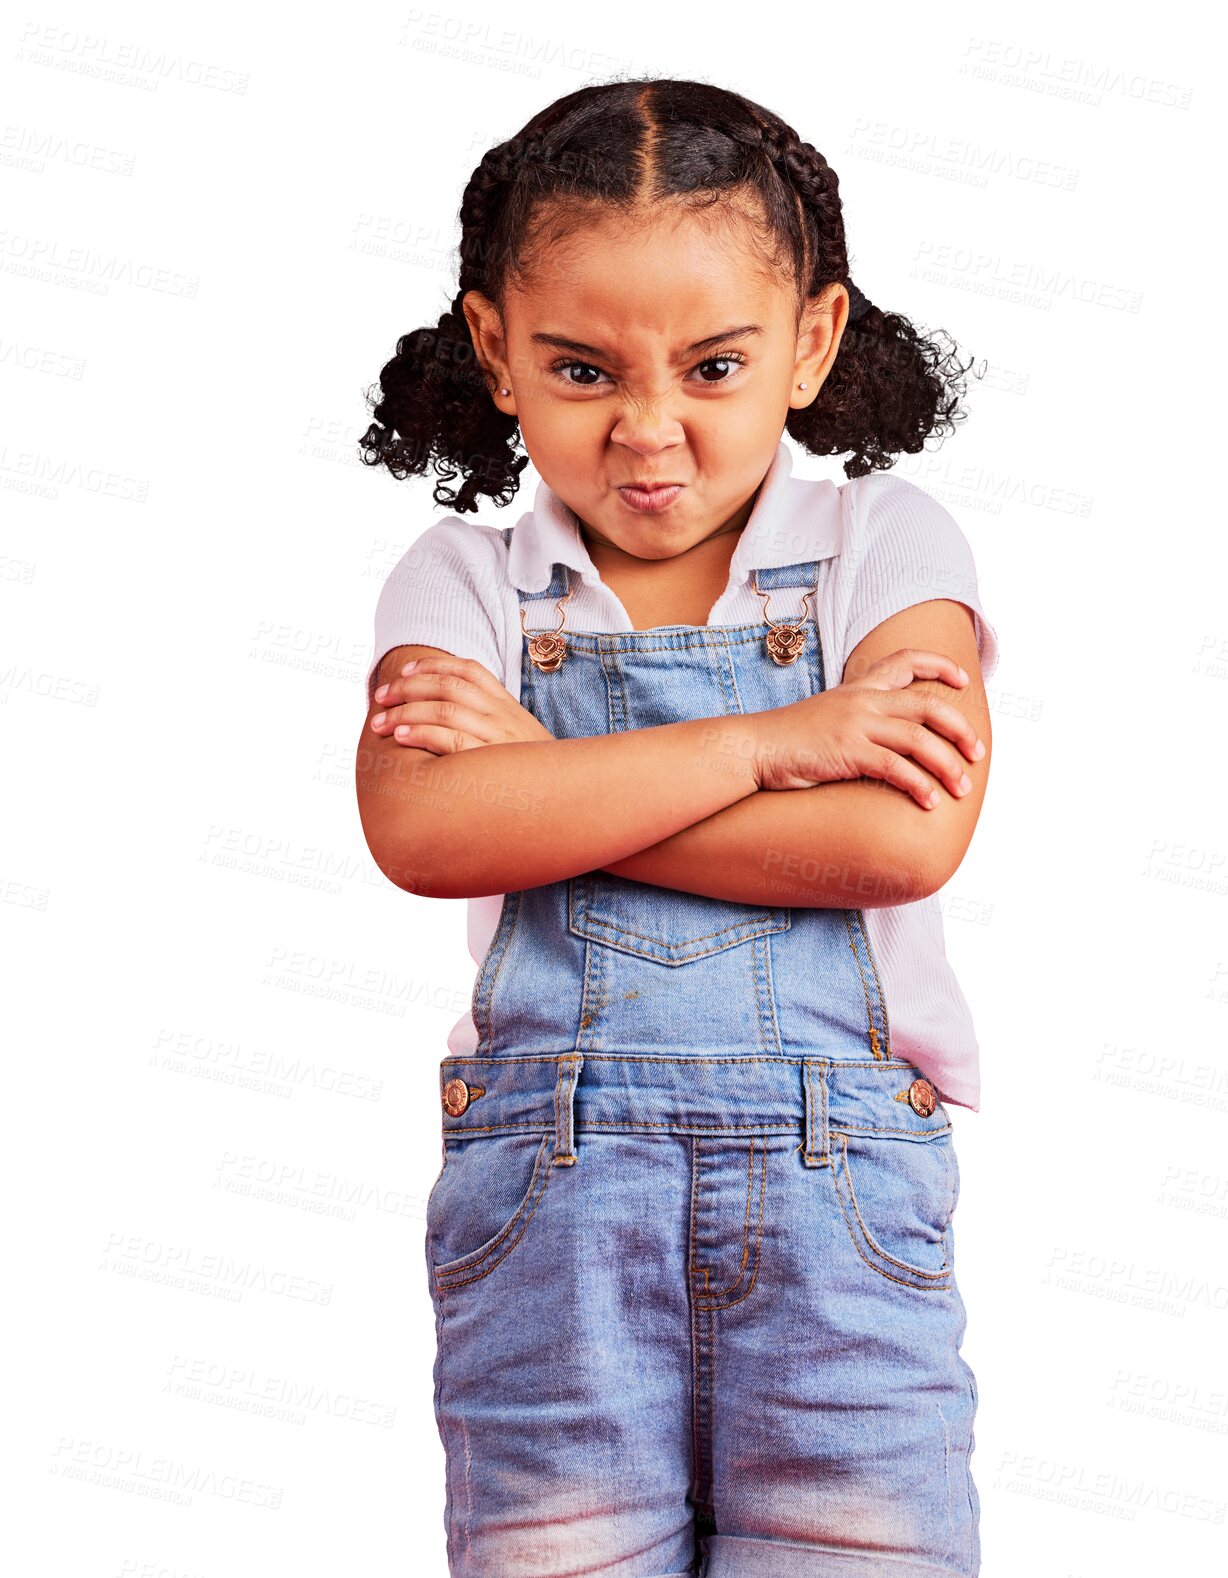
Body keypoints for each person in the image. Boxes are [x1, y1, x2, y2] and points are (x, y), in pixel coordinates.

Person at [355, 75, 999, 1578]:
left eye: (713, 366)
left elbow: (897, 843)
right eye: (582, 369)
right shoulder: (459, 578)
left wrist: (547, 790)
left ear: (811, 343)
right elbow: (427, 829)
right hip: (552, 1223)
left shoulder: (884, 543)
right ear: (497, 350)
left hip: (841, 1218)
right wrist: (779, 744)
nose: (650, 432)